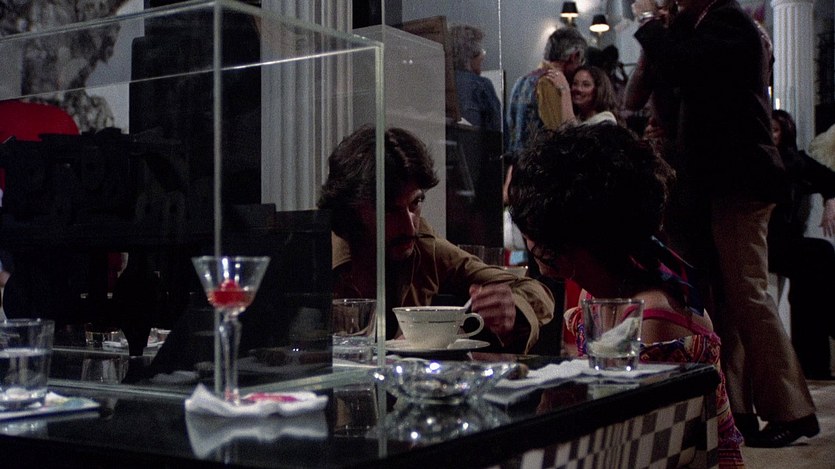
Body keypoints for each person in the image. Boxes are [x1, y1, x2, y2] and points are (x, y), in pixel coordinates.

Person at [631, 0, 819, 447]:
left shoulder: (731, 24)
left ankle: (793, 409)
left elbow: (684, 66)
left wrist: (649, 23)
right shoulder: (701, 25)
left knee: (748, 293)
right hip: (714, 183)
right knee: (729, 300)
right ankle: (737, 409)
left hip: (741, 179)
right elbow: (646, 91)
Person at [508, 123, 745, 468]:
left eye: (532, 228)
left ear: (569, 238)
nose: (528, 239)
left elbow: (642, 448)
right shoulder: (605, 291)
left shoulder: (651, 317)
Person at [317, 126, 555, 353]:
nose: (409, 225)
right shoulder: (314, 254)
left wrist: (511, 307)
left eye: (415, 204)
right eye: (390, 211)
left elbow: (536, 291)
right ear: (353, 210)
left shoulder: (423, 247)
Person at [769, 109, 835, 380]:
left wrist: (830, 201)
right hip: (766, 242)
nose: (772, 135)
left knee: (813, 276)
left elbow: (830, 179)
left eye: (776, 130)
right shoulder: (760, 160)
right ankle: (831, 326)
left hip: (786, 241)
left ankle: (814, 364)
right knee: (819, 256)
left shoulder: (795, 161)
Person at [505, 27, 587, 153]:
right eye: (580, 60)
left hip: (517, 161)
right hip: (540, 161)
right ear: (574, 56)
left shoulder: (520, 81)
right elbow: (562, 135)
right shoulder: (551, 83)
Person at [449, 24, 502, 132]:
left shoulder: (438, 83)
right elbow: (498, 132)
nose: (483, 56)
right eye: (481, 50)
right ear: (471, 54)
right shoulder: (481, 85)